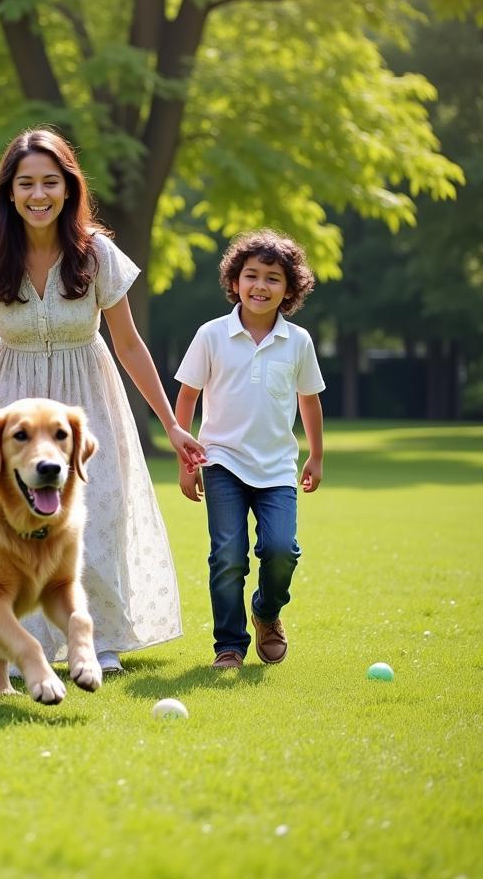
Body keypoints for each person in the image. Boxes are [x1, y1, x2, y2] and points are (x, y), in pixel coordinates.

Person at [0, 127, 205, 674]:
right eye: (25, 184)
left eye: (49, 182)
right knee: (12, 522)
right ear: (9, 193)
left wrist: (172, 425)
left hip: (87, 399)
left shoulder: (97, 255)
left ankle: (101, 640)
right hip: (11, 399)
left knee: (100, 509)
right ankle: (21, 644)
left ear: (68, 188)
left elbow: (130, 344)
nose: (38, 195)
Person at [173, 229, 325, 669]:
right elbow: (187, 396)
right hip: (221, 460)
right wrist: (188, 461)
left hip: (277, 467)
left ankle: (267, 610)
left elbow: (309, 400)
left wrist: (316, 455)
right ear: (235, 281)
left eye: (273, 278)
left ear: (290, 288)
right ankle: (230, 645)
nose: (260, 286)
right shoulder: (212, 335)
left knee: (281, 550)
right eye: (251, 275)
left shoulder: (298, 342)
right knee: (227, 556)